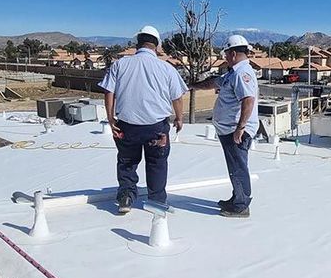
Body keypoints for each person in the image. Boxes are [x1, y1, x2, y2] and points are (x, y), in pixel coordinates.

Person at [99, 25, 188, 214]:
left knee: (127, 161)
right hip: (156, 128)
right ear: (156, 46)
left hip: (127, 126)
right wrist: (179, 118)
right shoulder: (166, 68)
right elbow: (177, 98)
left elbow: (109, 92)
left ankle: (126, 197)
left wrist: (110, 118)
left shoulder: (120, 64)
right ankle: (156, 202)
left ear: (137, 43)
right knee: (156, 163)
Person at [194, 35, 258, 218]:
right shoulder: (233, 73)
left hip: (235, 131)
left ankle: (241, 206)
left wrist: (240, 128)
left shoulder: (241, 73)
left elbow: (248, 100)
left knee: (238, 167)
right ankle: (237, 197)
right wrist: (193, 86)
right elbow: (214, 82)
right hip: (229, 129)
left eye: (226, 54)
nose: (225, 58)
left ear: (234, 53)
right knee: (234, 167)